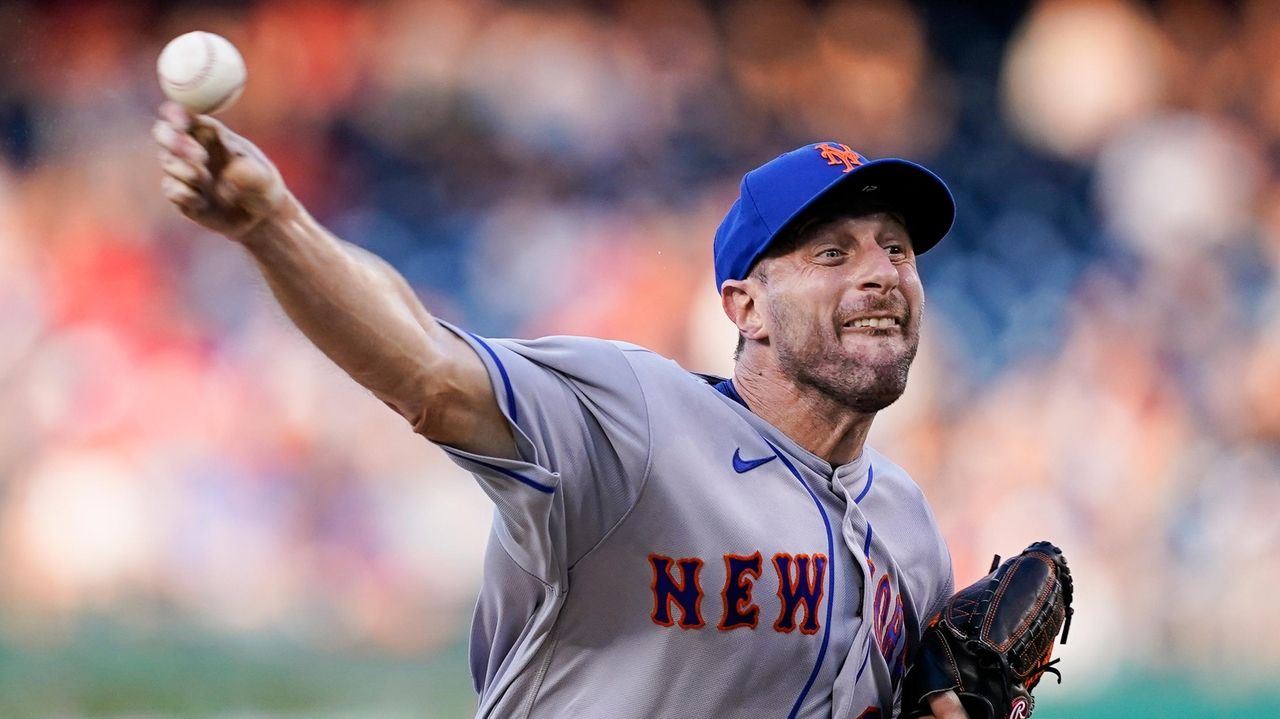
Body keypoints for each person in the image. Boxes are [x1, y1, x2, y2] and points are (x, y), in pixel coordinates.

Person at [153, 101, 969, 719]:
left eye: (896, 248)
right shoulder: (637, 422)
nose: (882, 272)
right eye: (833, 251)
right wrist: (273, 225)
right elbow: (428, 369)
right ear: (745, 306)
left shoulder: (909, 531)